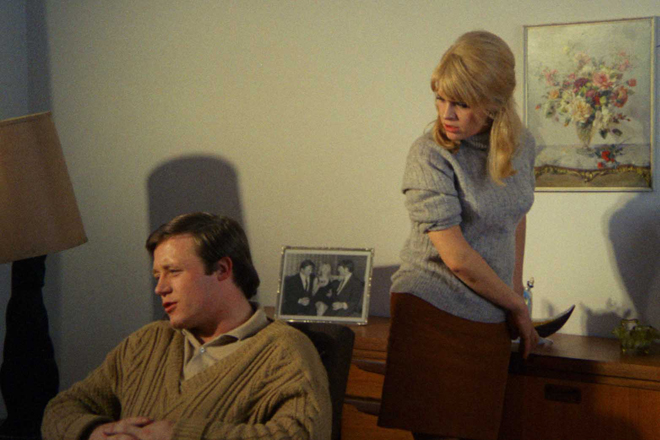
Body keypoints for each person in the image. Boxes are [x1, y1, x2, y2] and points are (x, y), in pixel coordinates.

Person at [378, 31, 539, 440]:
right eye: (440, 99)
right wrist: (517, 306)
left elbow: (515, 216)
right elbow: (458, 259)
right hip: (432, 312)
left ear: (494, 104)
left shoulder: (521, 146)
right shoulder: (429, 154)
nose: (445, 114)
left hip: (490, 310)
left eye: (461, 104)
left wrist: (514, 291)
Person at [41, 212, 331, 440]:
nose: (160, 288)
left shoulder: (283, 350)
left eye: (173, 272)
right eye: (157, 275)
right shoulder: (148, 342)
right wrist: (95, 432)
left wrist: (179, 435)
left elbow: (301, 434)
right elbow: (61, 408)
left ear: (222, 269)